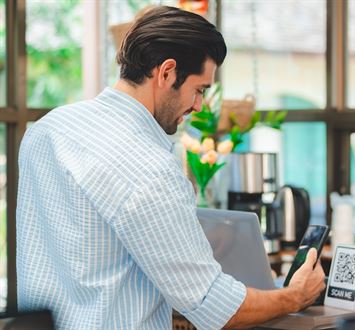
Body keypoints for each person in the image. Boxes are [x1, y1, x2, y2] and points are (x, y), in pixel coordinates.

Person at [16, 6, 325, 329]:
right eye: (199, 89)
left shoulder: (46, 129)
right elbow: (214, 306)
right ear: (166, 73)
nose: (198, 106)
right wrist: (294, 295)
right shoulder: (150, 168)